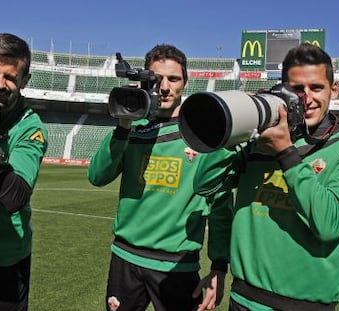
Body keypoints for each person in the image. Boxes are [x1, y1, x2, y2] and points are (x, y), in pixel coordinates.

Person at [193, 43, 339, 310]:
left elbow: (330, 224)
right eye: (296, 90)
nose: (307, 99)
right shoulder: (256, 143)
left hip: (305, 305)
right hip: (244, 298)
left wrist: (286, 153)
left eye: (316, 88)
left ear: (333, 90)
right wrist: (238, 130)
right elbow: (204, 185)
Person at [88, 44, 231, 311]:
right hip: (125, 258)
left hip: (177, 264)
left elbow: (221, 205)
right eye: (157, 79)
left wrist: (219, 266)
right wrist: (123, 126)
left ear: (185, 83)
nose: (164, 87)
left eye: (173, 79)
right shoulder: (132, 126)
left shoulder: (205, 133)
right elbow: (97, 176)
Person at [0, 33, 48, 310]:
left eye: (10, 77)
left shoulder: (30, 127)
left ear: (24, 81)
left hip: (3, 260)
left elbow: (14, 196)